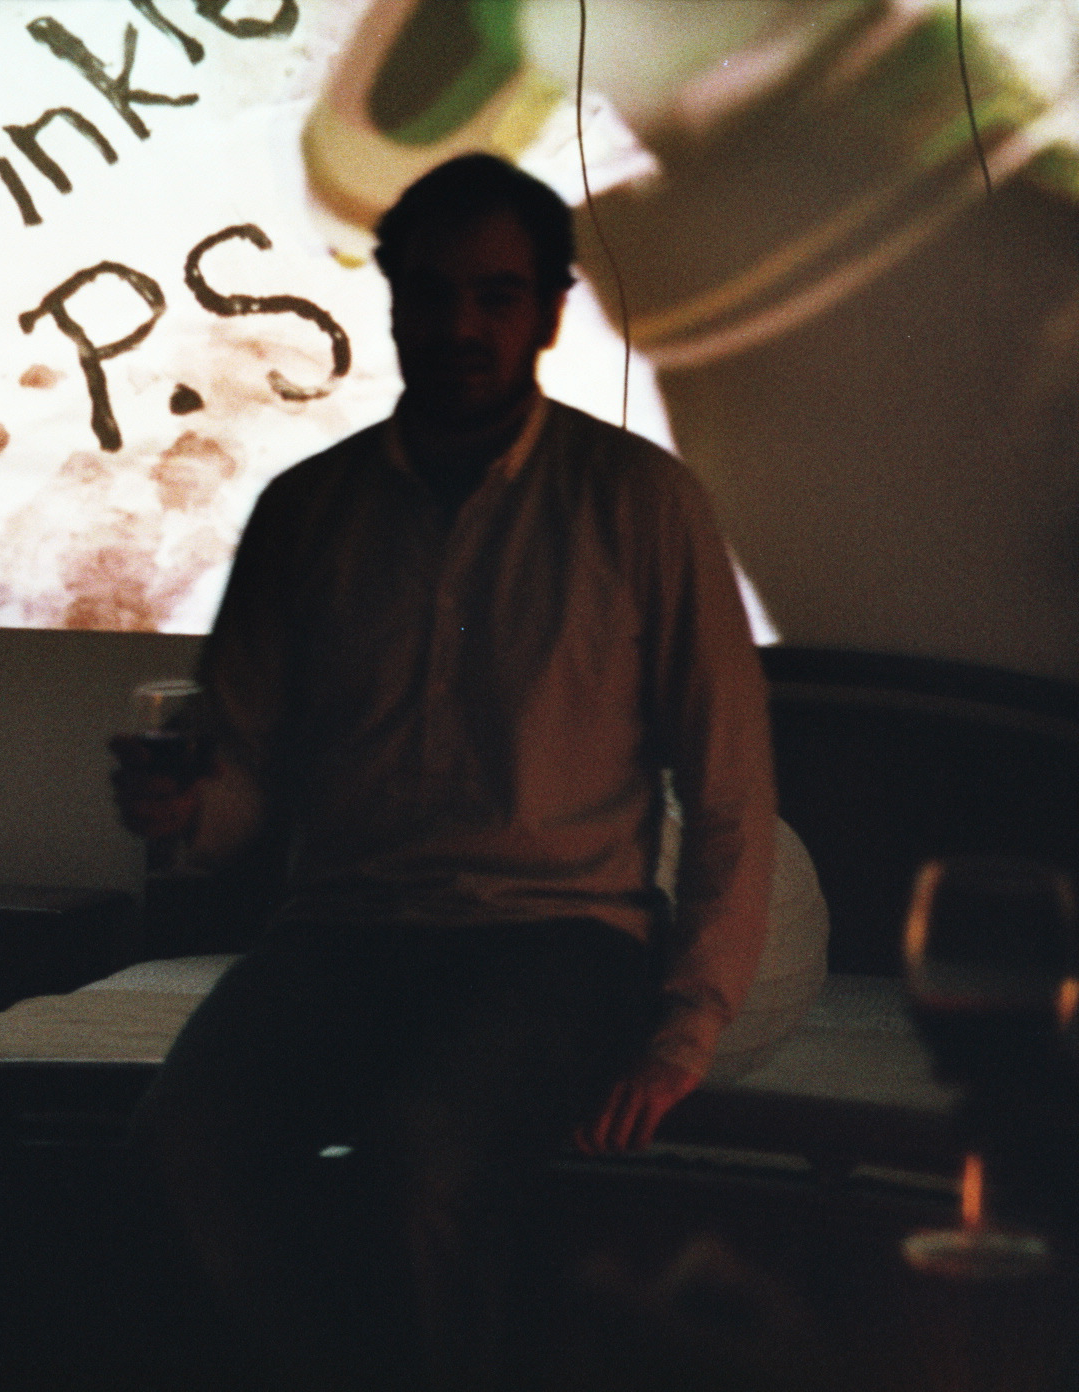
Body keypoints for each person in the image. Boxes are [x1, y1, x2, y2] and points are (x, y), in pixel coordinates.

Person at [116, 153, 775, 1390]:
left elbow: (730, 787)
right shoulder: (306, 512)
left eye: (496, 296)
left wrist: (684, 1034)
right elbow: (243, 776)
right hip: (341, 934)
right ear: (393, 300)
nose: (461, 324)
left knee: (417, 1163)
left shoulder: (642, 504)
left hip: (557, 944)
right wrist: (182, 812)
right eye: (433, 293)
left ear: (550, 312)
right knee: (175, 1146)